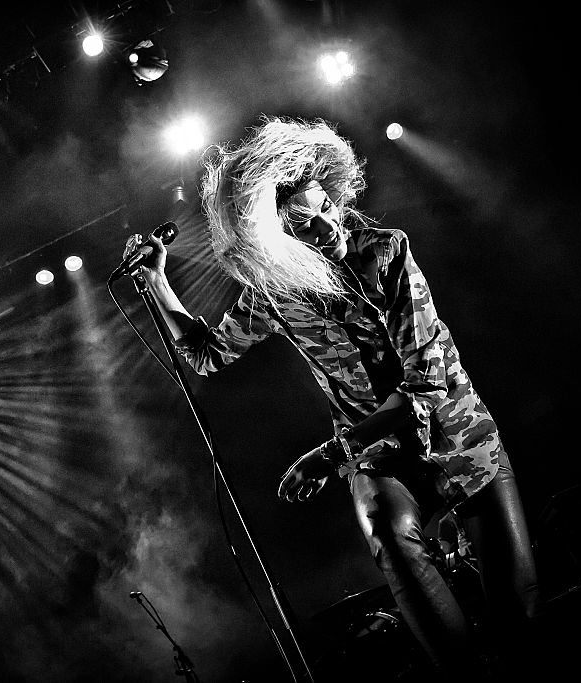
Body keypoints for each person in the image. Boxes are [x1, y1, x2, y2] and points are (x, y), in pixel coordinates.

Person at [123, 116, 540, 681]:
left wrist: (325, 455)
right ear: (275, 238)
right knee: (391, 537)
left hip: (460, 439)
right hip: (382, 458)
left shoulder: (387, 253)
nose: (326, 224)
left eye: (326, 206)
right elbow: (205, 352)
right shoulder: (276, 292)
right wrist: (157, 281)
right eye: (303, 222)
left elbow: (422, 387)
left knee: (520, 628)